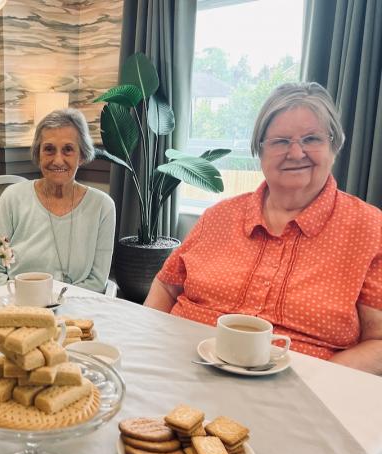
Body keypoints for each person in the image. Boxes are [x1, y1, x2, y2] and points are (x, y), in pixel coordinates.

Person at [145, 82, 382, 374]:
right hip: (179, 369)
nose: (296, 153)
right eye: (280, 141)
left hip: (299, 392)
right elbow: (166, 286)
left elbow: (378, 342)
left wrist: (319, 382)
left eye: (311, 139)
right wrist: (148, 351)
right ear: (260, 150)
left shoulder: (370, 229)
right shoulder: (218, 217)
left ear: (334, 145)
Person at [0, 108, 115, 293]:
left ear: (82, 156)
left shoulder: (102, 206)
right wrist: (22, 303)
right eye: (49, 149)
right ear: (38, 154)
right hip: (19, 306)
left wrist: (55, 303)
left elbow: (97, 280)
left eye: (68, 150)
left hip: (74, 311)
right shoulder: (12, 197)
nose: (58, 160)